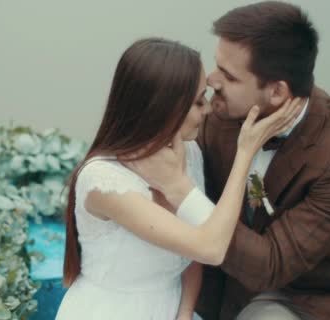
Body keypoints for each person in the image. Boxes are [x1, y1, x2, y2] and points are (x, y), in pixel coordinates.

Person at [126, 2, 330, 320]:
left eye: (229, 76)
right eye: (217, 65)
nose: (211, 81)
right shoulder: (221, 112)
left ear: (276, 92)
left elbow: (269, 266)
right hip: (223, 283)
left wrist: (179, 189)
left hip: (314, 297)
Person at [55, 37, 302, 320]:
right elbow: (210, 248)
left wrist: (184, 314)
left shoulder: (189, 153)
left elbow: (190, 257)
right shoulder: (104, 180)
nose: (208, 110)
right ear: (164, 107)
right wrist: (245, 152)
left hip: (173, 307)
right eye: (198, 102)